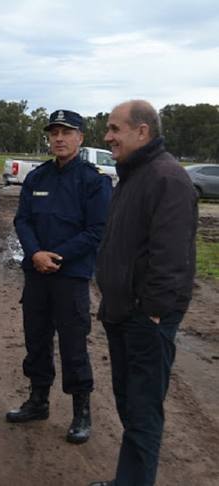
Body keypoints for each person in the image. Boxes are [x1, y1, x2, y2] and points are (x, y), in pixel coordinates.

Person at [89, 100, 197, 486]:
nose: (108, 136)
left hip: (144, 320)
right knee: (130, 407)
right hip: (122, 313)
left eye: (115, 128)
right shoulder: (133, 176)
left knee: (143, 413)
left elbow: (172, 257)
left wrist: (152, 313)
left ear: (142, 132)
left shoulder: (167, 178)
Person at [8, 109, 112, 444]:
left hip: (71, 277)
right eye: (54, 133)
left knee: (73, 346)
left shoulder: (94, 181)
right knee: (36, 341)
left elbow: (97, 231)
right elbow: (22, 220)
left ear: (81, 138)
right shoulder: (37, 178)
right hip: (37, 275)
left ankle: (81, 411)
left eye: (67, 132)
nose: (59, 138)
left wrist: (58, 256)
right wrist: (35, 253)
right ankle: (38, 401)